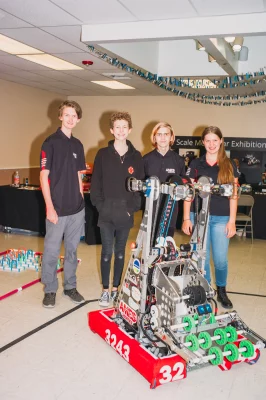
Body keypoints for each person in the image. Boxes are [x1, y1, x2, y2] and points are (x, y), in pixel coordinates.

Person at [90, 111, 144, 307]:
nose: (121, 131)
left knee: (120, 252)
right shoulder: (102, 154)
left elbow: (139, 186)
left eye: (124, 127)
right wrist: (100, 206)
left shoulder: (136, 156)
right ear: (112, 130)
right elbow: (95, 184)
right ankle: (105, 291)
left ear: (129, 130)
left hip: (125, 214)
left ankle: (116, 289)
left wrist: (132, 208)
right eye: (117, 127)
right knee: (106, 252)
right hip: (105, 214)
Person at [182, 126, 240, 309]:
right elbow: (188, 193)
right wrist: (186, 217)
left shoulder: (229, 165)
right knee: (202, 258)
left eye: (215, 140)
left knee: (221, 259)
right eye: (208, 140)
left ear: (221, 141)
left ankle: (222, 290)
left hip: (222, 217)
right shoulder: (195, 165)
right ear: (203, 142)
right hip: (200, 217)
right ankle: (206, 292)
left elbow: (234, 194)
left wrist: (232, 221)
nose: (212, 144)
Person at [40, 100, 86, 308]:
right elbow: (43, 177)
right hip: (57, 210)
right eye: (66, 115)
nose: (70, 119)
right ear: (60, 117)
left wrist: (81, 199)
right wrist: (49, 207)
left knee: (72, 251)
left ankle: (70, 287)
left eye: (73, 116)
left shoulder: (78, 145)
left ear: (78, 119)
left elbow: (78, 175)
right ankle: (50, 290)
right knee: (50, 252)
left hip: (76, 209)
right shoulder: (50, 143)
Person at [143, 122, 185, 237]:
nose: (162, 137)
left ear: (171, 137)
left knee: (166, 248)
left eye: (166, 134)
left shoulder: (179, 161)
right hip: (150, 212)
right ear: (154, 137)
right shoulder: (146, 159)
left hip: (170, 212)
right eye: (159, 134)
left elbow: (184, 186)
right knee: (149, 249)